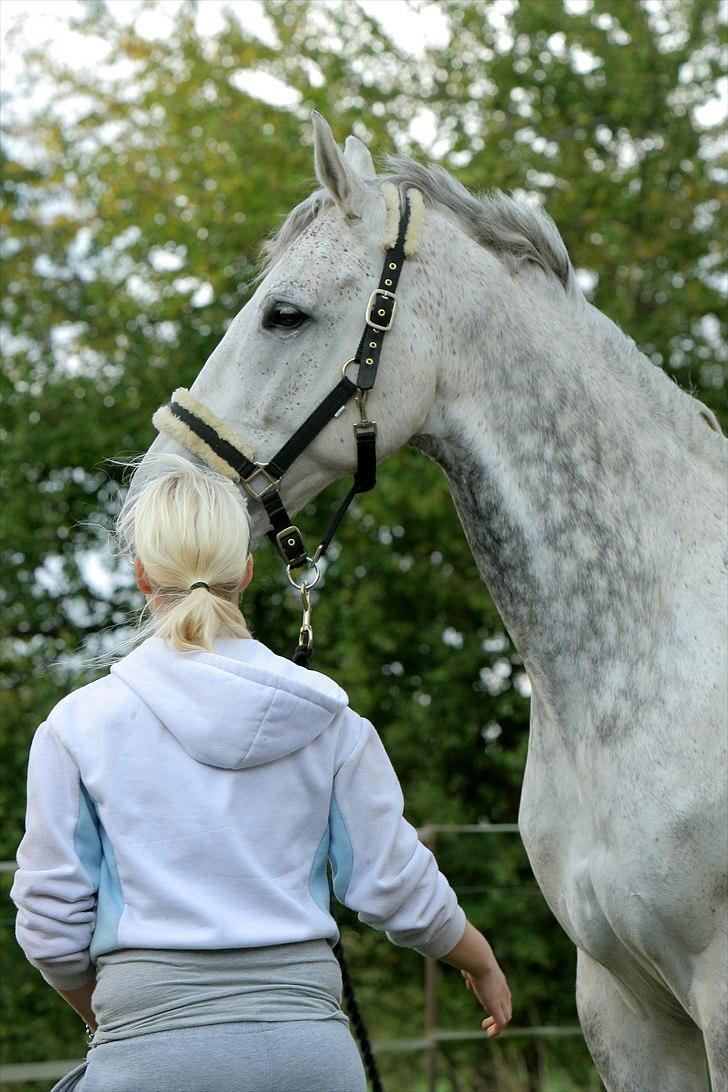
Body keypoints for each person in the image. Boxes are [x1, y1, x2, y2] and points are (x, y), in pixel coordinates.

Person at [11, 454, 512, 1092]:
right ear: (247, 572)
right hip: (312, 1058)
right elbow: (393, 884)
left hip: (147, 1062)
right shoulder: (328, 719)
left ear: (141, 576)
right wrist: (477, 956)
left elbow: (50, 924)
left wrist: (116, 1020)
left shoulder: (77, 727)